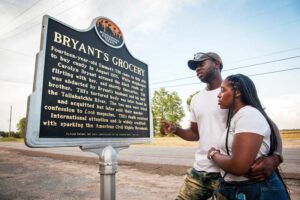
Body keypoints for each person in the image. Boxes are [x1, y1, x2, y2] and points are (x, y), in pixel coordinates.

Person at [162, 52, 283, 200]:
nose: (197, 69)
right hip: (202, 170)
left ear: (217, 63)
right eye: (195, 67)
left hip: (230, 175)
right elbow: (195, 134)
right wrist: (176, 129)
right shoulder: (196, 99)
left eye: (201, 64)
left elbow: (269, 125)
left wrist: (276, 157)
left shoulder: (235, 91)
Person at [207, 74, 289, 199]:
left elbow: (238, 166)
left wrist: (213, 154)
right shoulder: (240, 115)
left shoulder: (249, 114)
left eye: (223, 90)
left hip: (254, 189)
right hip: (235, 187)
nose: (218, 95)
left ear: (238, 92)